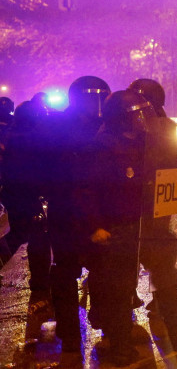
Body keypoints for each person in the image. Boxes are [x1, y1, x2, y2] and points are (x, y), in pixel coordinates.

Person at [87, 90, 177, 366]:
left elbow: (175, 174)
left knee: (168, 282)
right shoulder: (102, 146)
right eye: (135, 117)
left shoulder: (152, 143)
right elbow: (87, 191)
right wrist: (96, 226)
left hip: (153, 224)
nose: (141, 122)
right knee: (120, 291)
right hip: (120, 228)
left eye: (144, 115)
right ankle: (120, 347)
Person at [43, 76, 110, 358]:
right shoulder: (103, 128)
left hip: (76, 212)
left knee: (89, 271)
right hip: (74, 213)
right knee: (78, 272)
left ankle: (78, 333)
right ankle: (77, 332)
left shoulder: (105, 126)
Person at [0, 100, 51, 293]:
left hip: (14, 193)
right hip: (26, 194)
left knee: (22, 234)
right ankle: (40, 284)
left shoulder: (14, 134)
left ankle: (40, 282)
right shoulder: (30, 138)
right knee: (34, 236)